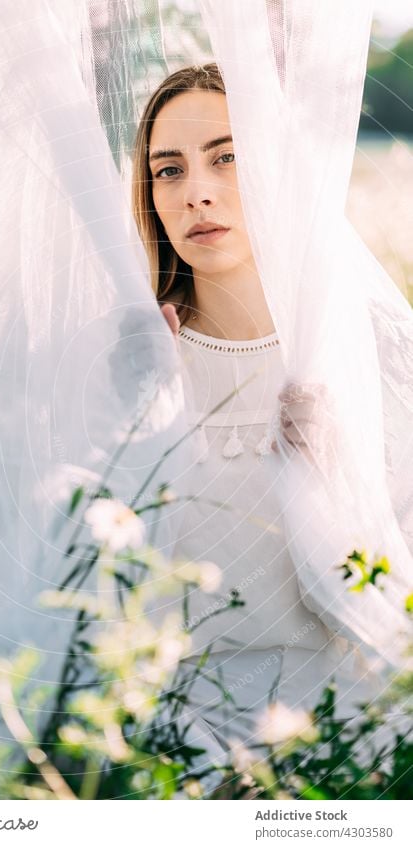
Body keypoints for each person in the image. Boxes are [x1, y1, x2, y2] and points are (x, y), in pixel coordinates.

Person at [132, 62, 401, 769]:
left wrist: (328, 485)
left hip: (340, 721)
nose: (196, 192)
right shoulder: (130, 357)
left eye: (228, 158)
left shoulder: (357, 350)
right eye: (168, 170)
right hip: (166, 724)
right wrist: (136, 430)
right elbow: (87, 583)